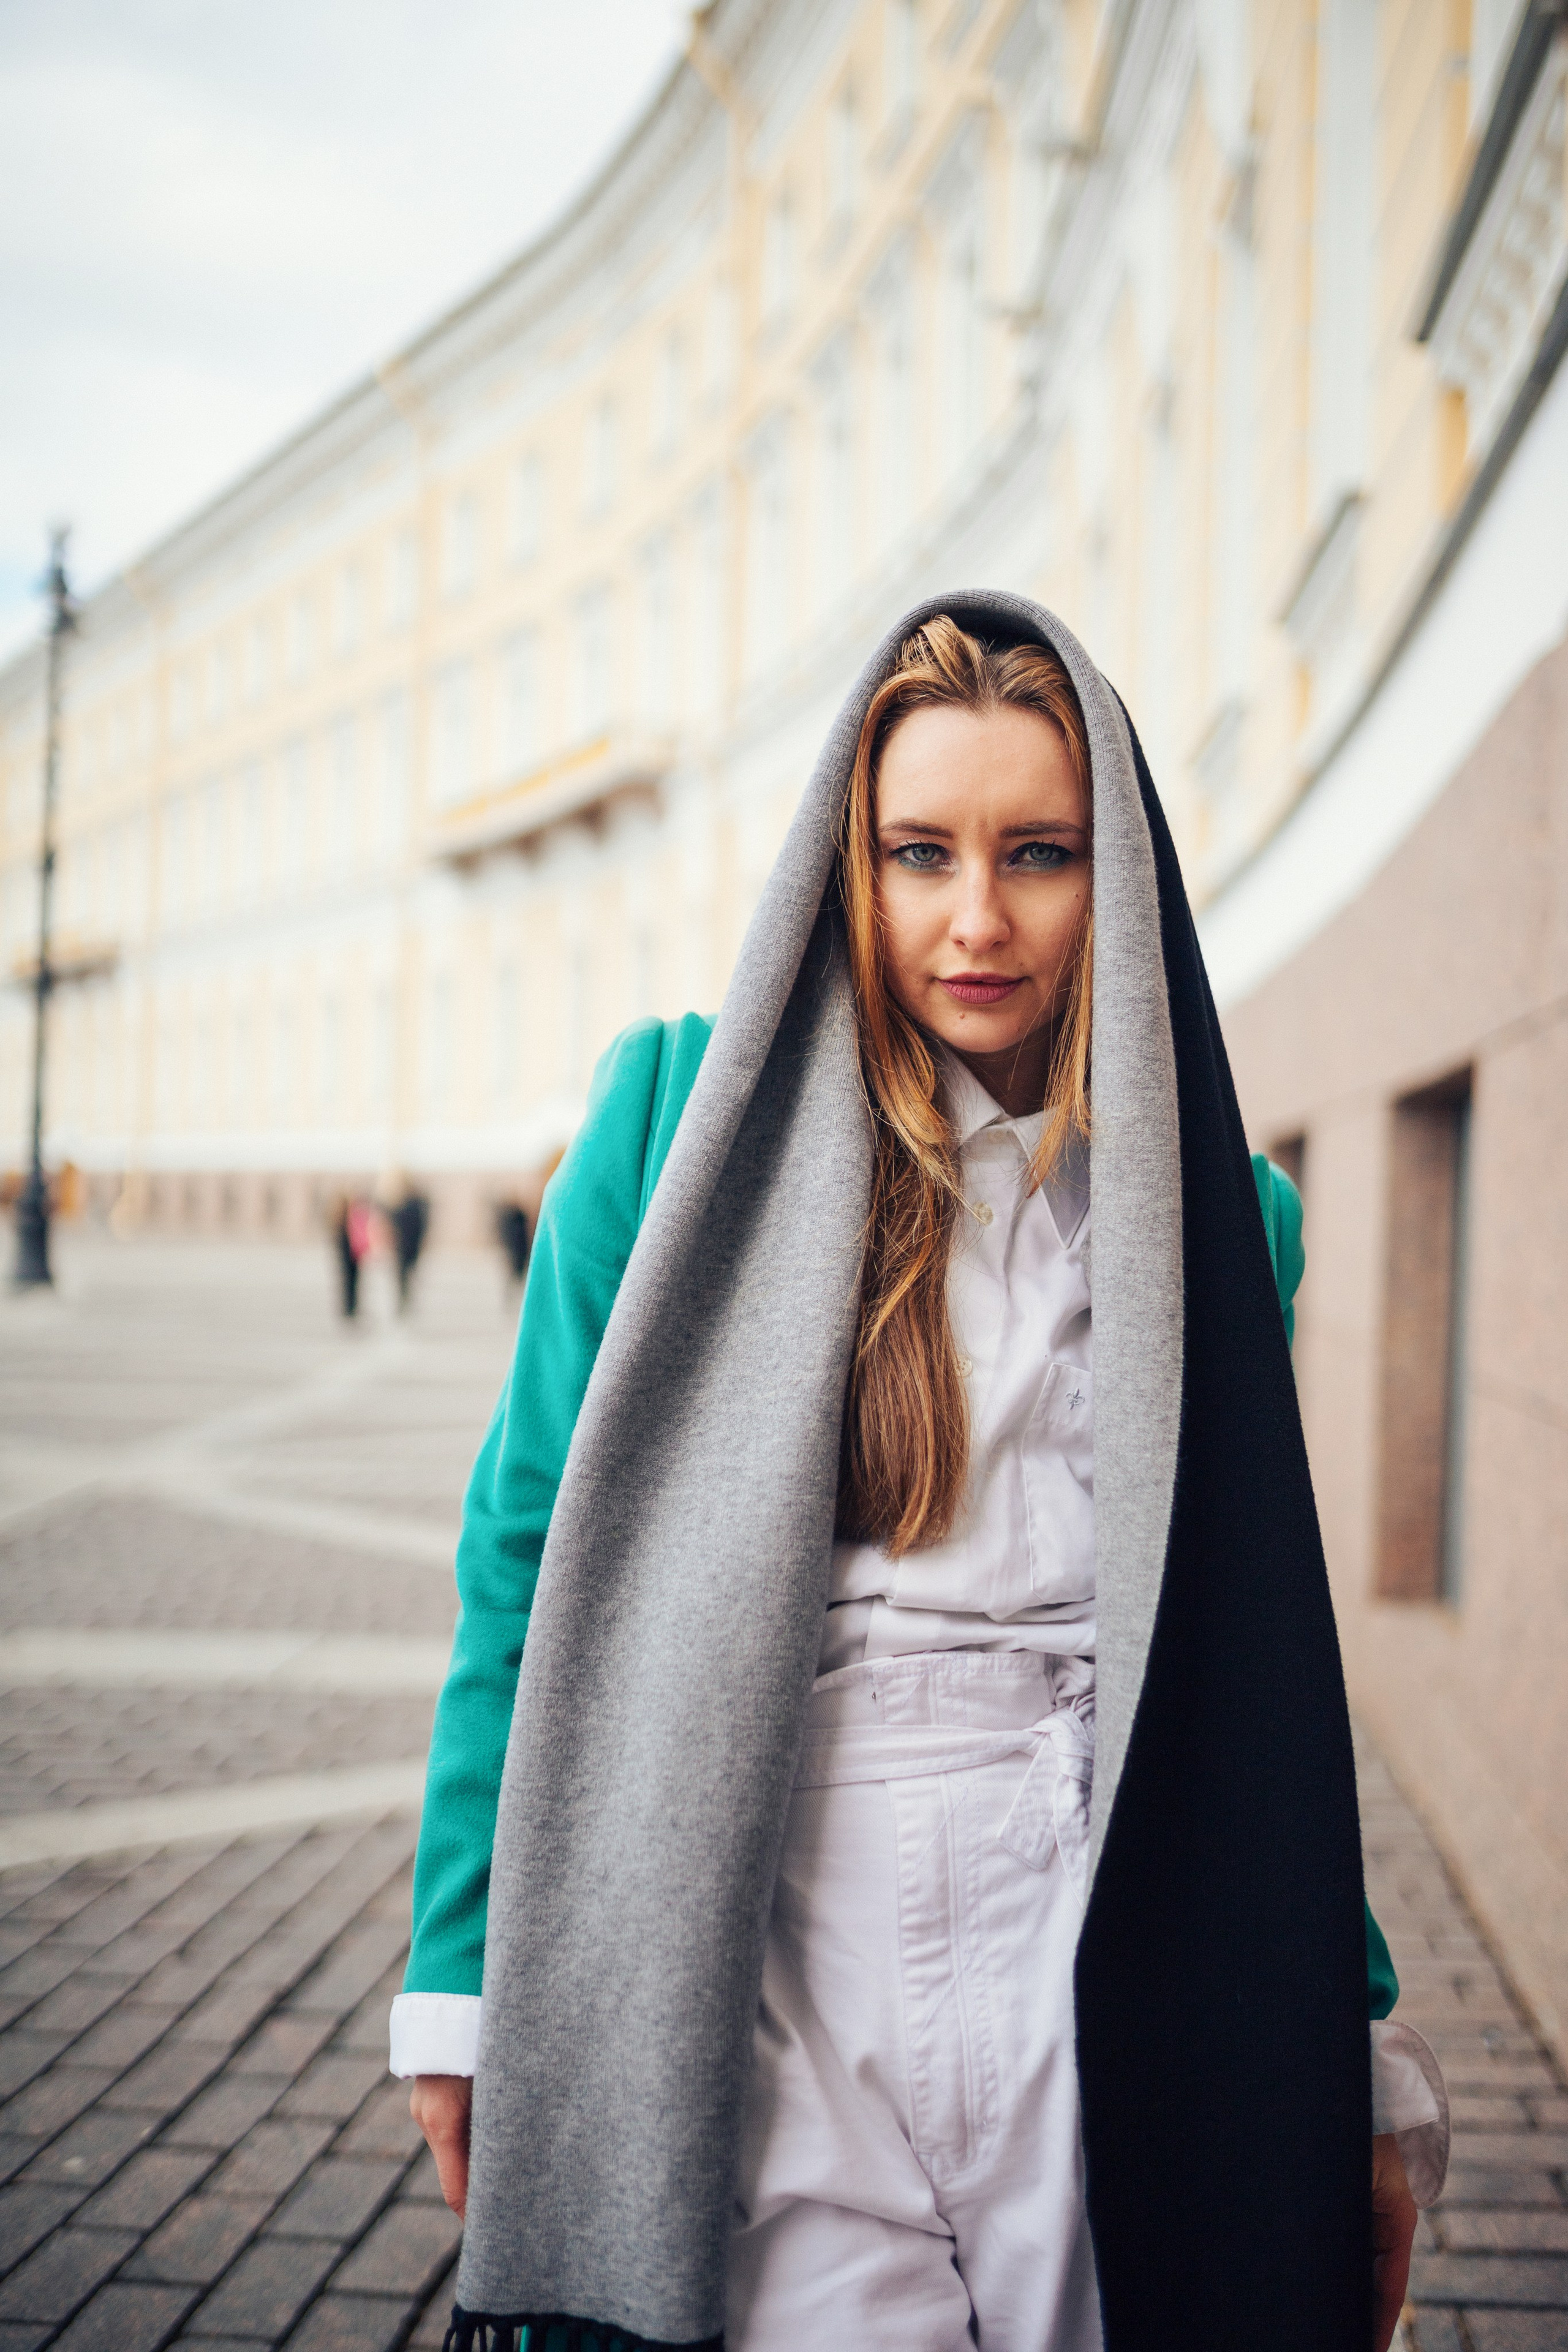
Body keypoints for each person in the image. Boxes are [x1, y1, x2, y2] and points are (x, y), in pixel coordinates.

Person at [389, 601, 1450, 2351]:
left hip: (1105, 1914)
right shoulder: (671, 1123)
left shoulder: (1213, 1216)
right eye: (919, 852)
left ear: (1112, 872)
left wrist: (1339, 2045)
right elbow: (526, 1555)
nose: (978, 918)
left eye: (1038, 853)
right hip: (782, 1904)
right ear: (845, 865)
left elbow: (1251, 1654)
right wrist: (463, 1977)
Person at [494, 1196, 532, 1294]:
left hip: (519, 1248)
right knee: (514, 1273)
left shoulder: (519, 1217)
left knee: (519, 1273)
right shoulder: (510, 1217)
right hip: (515, 1249)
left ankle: (517, 1292)